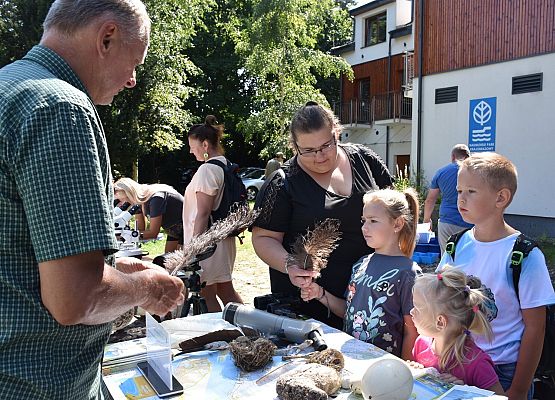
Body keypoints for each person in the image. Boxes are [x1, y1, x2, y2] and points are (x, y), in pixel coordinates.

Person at [0, 1, 185, 398]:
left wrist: (114, 267)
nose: (133, 80)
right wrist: (147, 288)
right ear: (106, 37)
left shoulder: (9, 87)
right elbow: (74, 298)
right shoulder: (60, 108)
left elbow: (19, 249)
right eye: (135, 63)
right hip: (35, 385)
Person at [251, 101, 394, 329]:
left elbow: (396, 210)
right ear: (294, 147)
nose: (319, 157)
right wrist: (290, 265)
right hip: (309, 303)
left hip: (370, 297)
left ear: (337, 133)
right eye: (307, 151)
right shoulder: (283, 182)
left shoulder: (365, 160)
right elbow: (263, 238)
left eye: (326, 146)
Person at [437, 152, 555, 400]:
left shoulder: (524, 255)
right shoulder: (456, 244)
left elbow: (536, 328)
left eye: (471, 191)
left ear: (501, 197)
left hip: (504, 371)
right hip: (459, 360)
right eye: (459, 191)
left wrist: (519, 391)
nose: (460, 199)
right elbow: (442, 300)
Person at [300, 188, 420, 360]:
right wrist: (319, 293)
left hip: (384, 367)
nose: (364, 228)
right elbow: (348, 311)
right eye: (363, 221)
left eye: (373, 221)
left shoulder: (408, 273)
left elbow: (412, 331)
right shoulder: (361, 264)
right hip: (351, 360)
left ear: (397, 224)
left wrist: (406, 369)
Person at [183, 115, 243, 312]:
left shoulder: (207, 170)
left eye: (193, 146)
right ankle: (249, 329)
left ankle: (223, 335)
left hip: (207, 244)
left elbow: (202, 213)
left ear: (205, 144)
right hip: (223, 240)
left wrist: (194, 249)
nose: (190, 151)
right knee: (226, 290)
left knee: (207, 293)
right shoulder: (226, 165)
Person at [410, 268, 505, 393]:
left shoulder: (477, 363)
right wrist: (414, 372)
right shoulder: (420, 344)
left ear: (440, 322)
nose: (411, 312)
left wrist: (463, 391)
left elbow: (500, 397)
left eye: (417, 308)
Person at [423, 144, 473, 252]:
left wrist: (427, 220)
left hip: (447, 221)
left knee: (447, 257)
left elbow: (430, 200)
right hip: (471, 221)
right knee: (468, 257)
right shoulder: (475, 173)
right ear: (469, 156)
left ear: (453, 157)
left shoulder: (441, 172)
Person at [114, 177, 184, 252]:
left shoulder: (156, 199)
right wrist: (126, 234)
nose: (121, 204)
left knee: (176, 261)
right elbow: (140, 230)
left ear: (130, 194)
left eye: (121, 200)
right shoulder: (140, 199)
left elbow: (153, 233)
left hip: (187, 228)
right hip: (173, 231)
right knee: (164, 261)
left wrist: (124, 236)